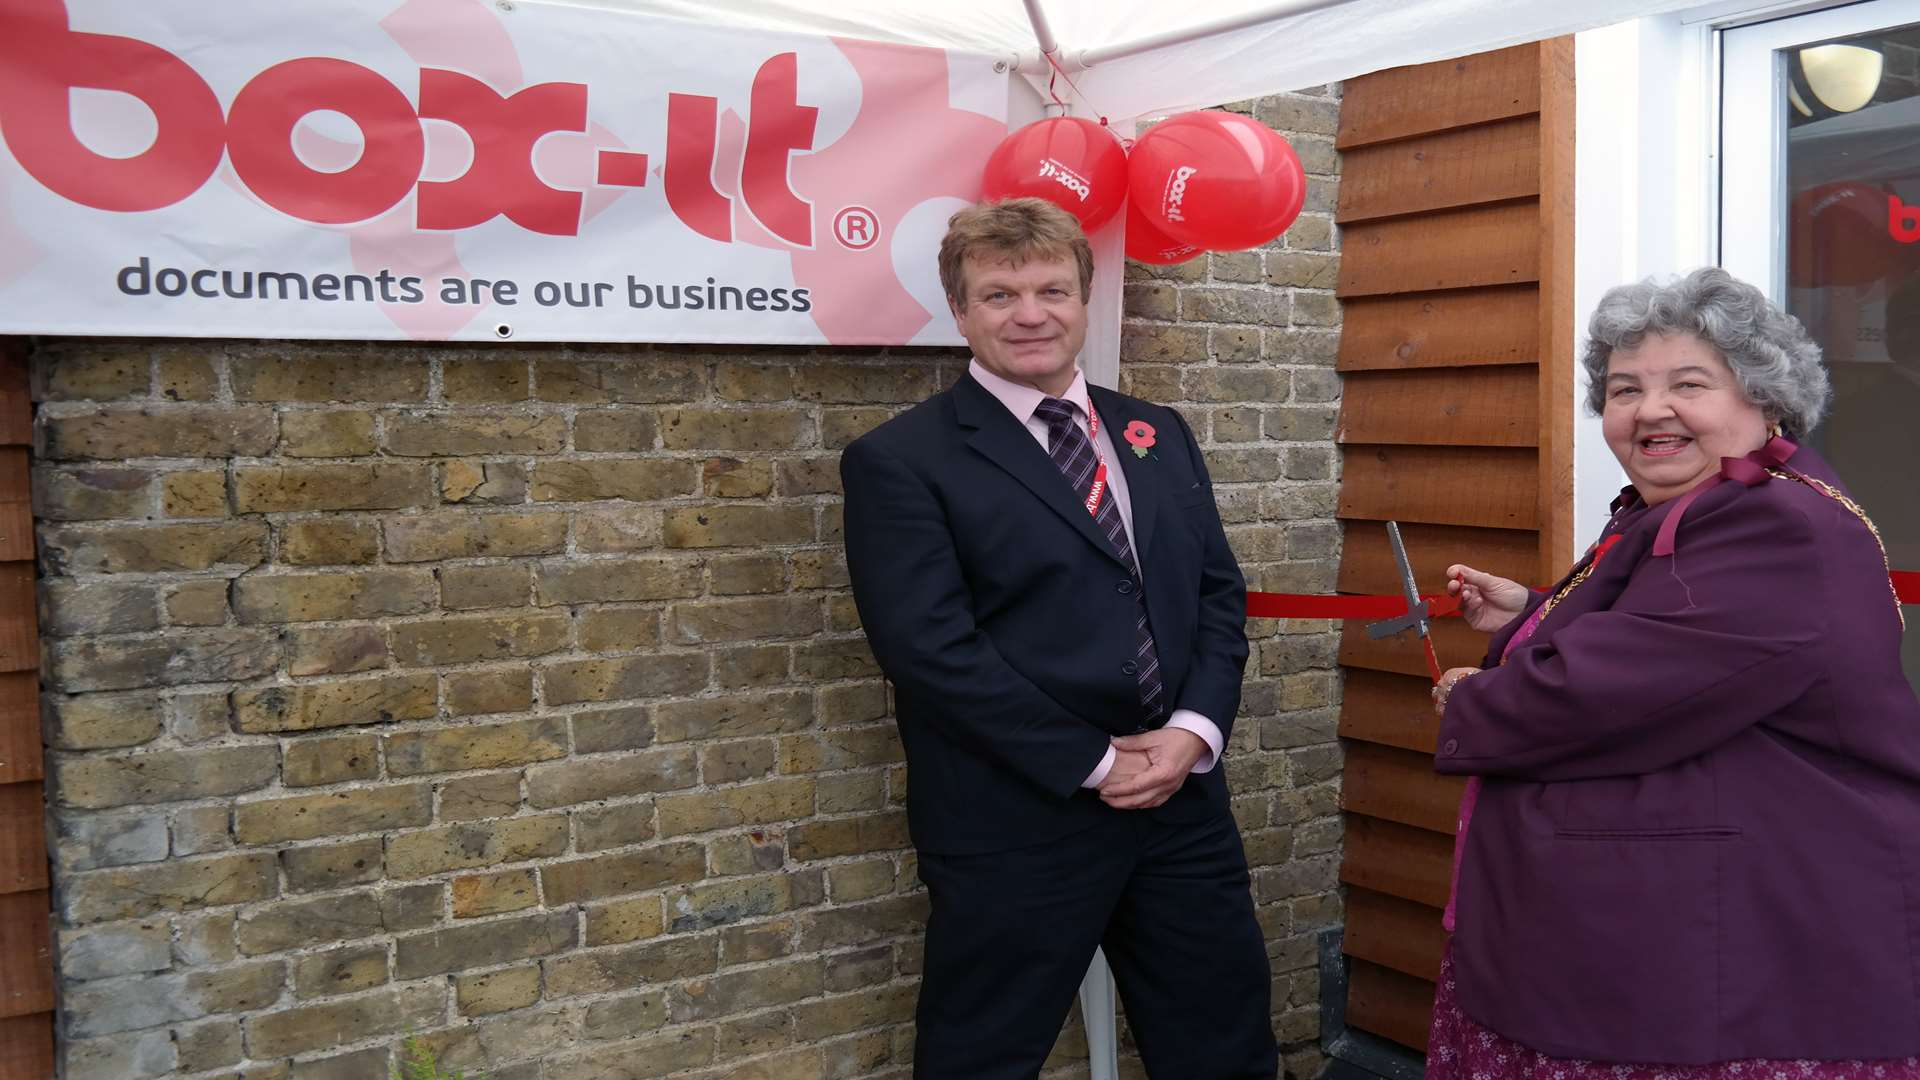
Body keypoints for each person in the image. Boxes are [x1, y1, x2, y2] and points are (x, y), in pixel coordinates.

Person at [1427, 267, 1920, 1074]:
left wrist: (1477, 700)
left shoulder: (1773, 524)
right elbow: (1671, 637)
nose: (1650, 409)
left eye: (1688, 383)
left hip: (1739, 946)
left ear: (1764, 401)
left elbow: (1601, 694)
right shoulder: (1702, 503)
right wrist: (1529, 614)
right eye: (1625, 390)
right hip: (1684, 924)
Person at [840, 197, 1275, 1079]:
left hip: (1179, 808)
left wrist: (1193, 733)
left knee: (1224, 1043)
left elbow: (1216, 598)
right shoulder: (901, 461)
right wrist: (1097, 760)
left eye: (1052, 289)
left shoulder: (1156, 433)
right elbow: (929, 650)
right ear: (959, 312)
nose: (1030, 313)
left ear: (1084, 299)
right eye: (999, 294)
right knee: (983, 1055)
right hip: (1018, 818)